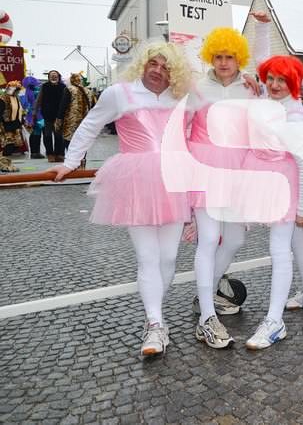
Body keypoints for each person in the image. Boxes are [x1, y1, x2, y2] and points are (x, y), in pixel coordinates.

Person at [49, 41, 193, 358]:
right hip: (136, 182)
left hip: (174, 181)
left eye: (165, 66)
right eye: (153, 63)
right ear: (143, 63)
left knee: (169, 257)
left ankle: (155, 312)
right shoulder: (120, 93)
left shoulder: (180, 97)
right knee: (147, 256)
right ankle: (155, 323)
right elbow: (89, 125)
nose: (158, 70)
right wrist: (70, 162)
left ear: (174, 72)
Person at [241, 12, 303, 349]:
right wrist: (263, 26)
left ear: (294, 84)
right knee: (295, 241)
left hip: (285, 187)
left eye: (281, 80)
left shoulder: (294, 116)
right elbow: (262, 61)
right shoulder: (268, 98)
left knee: (280, 249)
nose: (274, 85)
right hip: (269, 182)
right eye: (271, 79)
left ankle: (275, 321)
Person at [187, 26, 261, 349]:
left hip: (238, 172)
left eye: (229, 57)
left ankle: (205, 294)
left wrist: (262, 27)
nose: (223, 62)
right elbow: (181, 128)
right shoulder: (197, 88)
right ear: (210, 58)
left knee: (234, 239)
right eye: (218, 56)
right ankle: (207, 316)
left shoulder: (249, 88)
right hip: (205, 169)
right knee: (208, 239)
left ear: (238, 58)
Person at [57, 72, 95, 153]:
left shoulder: (69, 89)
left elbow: (63, 106)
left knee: (69, 140)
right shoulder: (89, 91)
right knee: (82, 141)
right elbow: (93, 107)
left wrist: (59, 120)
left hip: (71, 121)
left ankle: (73, 158)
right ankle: (82, 158)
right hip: (85, 121)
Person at [34, 70, 66, 162]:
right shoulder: (44, 86)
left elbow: (66, 100)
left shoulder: (63, 87)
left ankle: (59, 154)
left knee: (59, 136)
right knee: (47, 136)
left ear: (58, 77)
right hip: (47, 115)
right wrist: (35, 111)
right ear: (49, 77)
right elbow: (39, 99)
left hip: (60, 115)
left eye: (55, 76)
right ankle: (50, 154)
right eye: (52, 76)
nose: (54, 77)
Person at [21, 76, 44, 159]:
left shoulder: (25, 91)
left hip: (31, 114)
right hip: (38, 114)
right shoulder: (38, 89)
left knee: (34, 133)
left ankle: (34, 152)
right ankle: (36, 152)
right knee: (36, 133)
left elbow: (24, 104)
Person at [0, 81, 26, 156]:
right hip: (6, 123)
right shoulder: (3, 98)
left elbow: (19, 110)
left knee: (16, 141)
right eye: (16, 90)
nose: (17, 92)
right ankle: (5, 155)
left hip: (15, 123)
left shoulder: (15, 98)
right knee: (9, 141)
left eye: (17, 91)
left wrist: (22, 120)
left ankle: (9, 154)